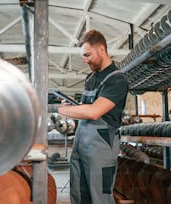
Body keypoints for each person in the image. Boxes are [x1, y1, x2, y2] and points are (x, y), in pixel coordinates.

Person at [48, 29, 129, 204]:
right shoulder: (90, 78)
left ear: (101, 49)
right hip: (81, 143)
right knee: (78, 193)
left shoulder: (117, 79)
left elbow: (93, 112)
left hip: (101, 146)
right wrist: (72, 108)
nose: (85, 60)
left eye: (87, 55)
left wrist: (53, 108)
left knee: (99, 197)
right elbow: (85, 110)